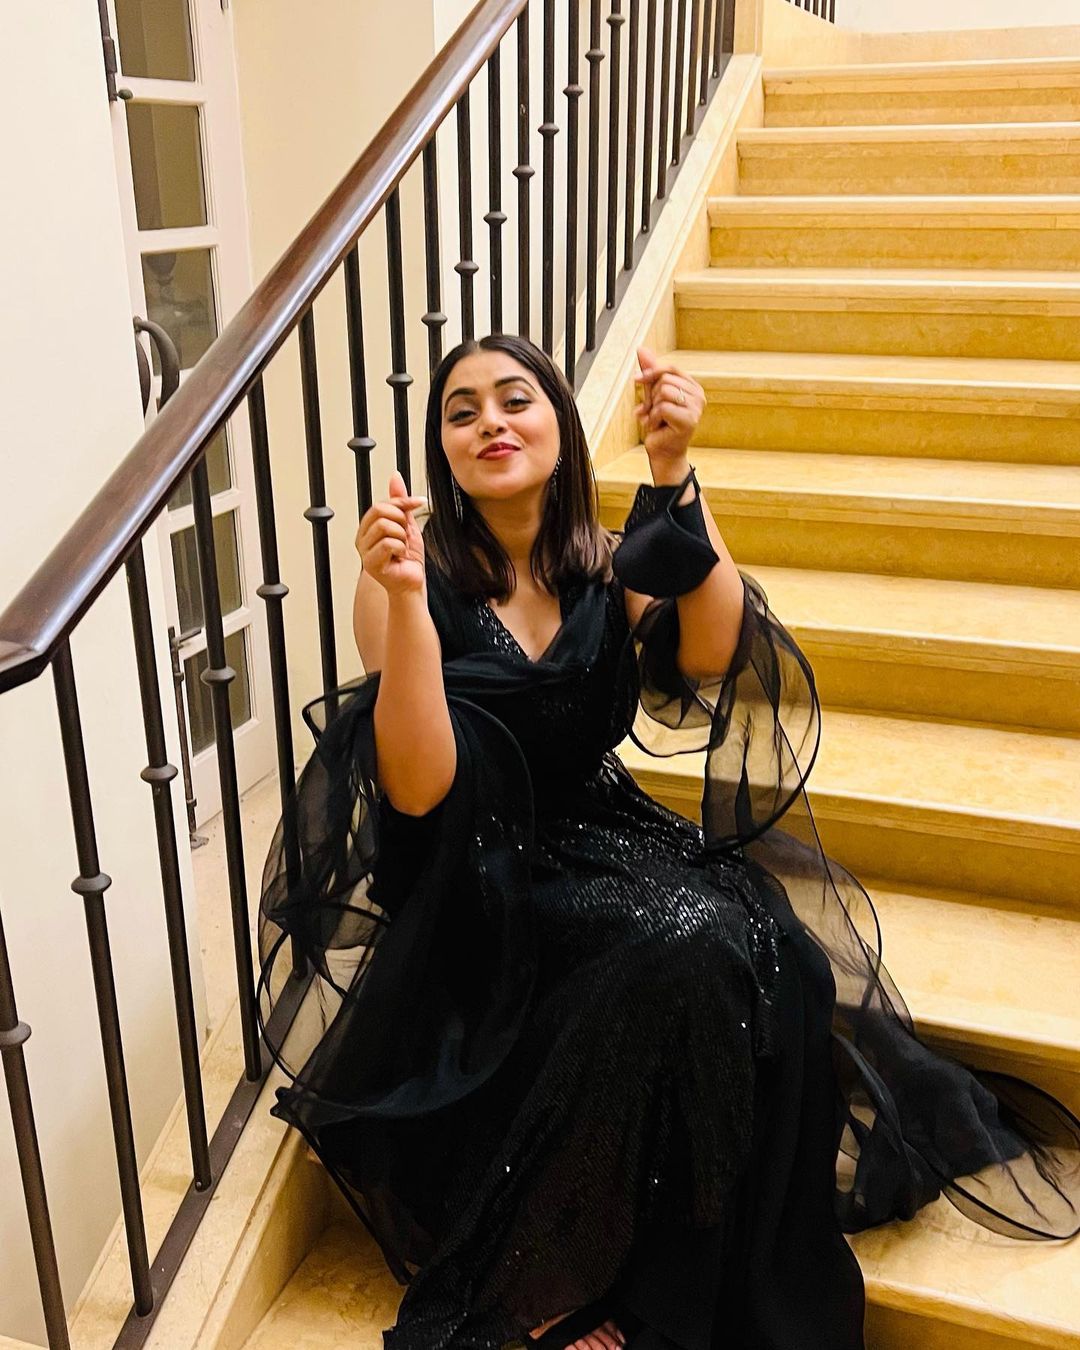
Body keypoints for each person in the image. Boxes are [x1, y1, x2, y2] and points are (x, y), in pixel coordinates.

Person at [257, 334, 1079, 1350]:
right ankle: (555, 1269)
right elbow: (423, 789)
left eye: (515, 400)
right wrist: (407, 604)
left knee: (776, 948)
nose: (490, 424)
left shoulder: (606, 559)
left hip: (600, 826)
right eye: (462, 412)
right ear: (443, 453)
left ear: (561, 427)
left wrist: (675, 469)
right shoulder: (406, 578)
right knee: (679, 943)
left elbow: (716, 647)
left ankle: (685, 1252)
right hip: (476, 869)